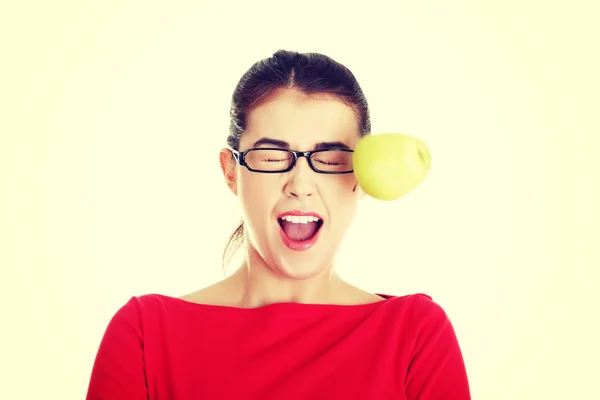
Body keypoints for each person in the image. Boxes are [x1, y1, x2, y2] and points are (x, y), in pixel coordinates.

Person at [85, 49, 471, 399]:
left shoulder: (415, 335)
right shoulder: (145, 336)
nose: (300, 185)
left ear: (363, 176)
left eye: (332, 159)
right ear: (231, 171)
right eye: (271, 156)